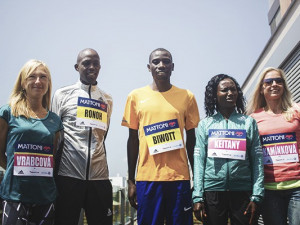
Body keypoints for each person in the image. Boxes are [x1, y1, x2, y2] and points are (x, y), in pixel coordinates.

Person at [122, 48, 200, 225]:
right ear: (148, 67)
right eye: (156, 62)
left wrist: (197, 179)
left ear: (173, 66)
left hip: (179, 178)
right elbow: (132, 140)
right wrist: (131, 180)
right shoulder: (135, 97)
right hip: (147, 178)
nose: (161, 65)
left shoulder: (187, 97)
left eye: (166, 61)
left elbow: (192, 141)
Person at [51, 48, 113, 225]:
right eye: (86, 63)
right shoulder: (62, 95)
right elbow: (55, 136)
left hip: (99, 179)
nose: (91, 67)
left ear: (100, 66)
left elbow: (103, 135)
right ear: (77, 67)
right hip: (68, 177)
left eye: (96, 63)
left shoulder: (107, 99)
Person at [193, 74, 264, 225]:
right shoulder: (205, 125)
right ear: (214, 95)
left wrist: (257, 195)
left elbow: (257, 160)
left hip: (243, 191)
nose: (230, 93)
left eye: (233, 90)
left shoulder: (248, 123)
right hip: (212, 191)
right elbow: (199, 162)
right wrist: (198, 196)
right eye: (225, 90)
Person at [0, 59, 63, 225]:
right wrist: (16, 170)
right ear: (22, 82)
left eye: (43, 77)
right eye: (32, 76)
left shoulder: (55, 121)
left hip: (45, 198)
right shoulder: (8, 112)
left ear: (48, 83)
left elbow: (53, 156)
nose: (38, 81)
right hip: (15, 196)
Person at [247, 67, 300, 225]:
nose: (274, 84)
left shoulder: (296, 111)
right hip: (269, 189)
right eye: (269, 81)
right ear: (262, 89)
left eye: (279, 81)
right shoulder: (253, 118)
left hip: (297, 186)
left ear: (284, 86)